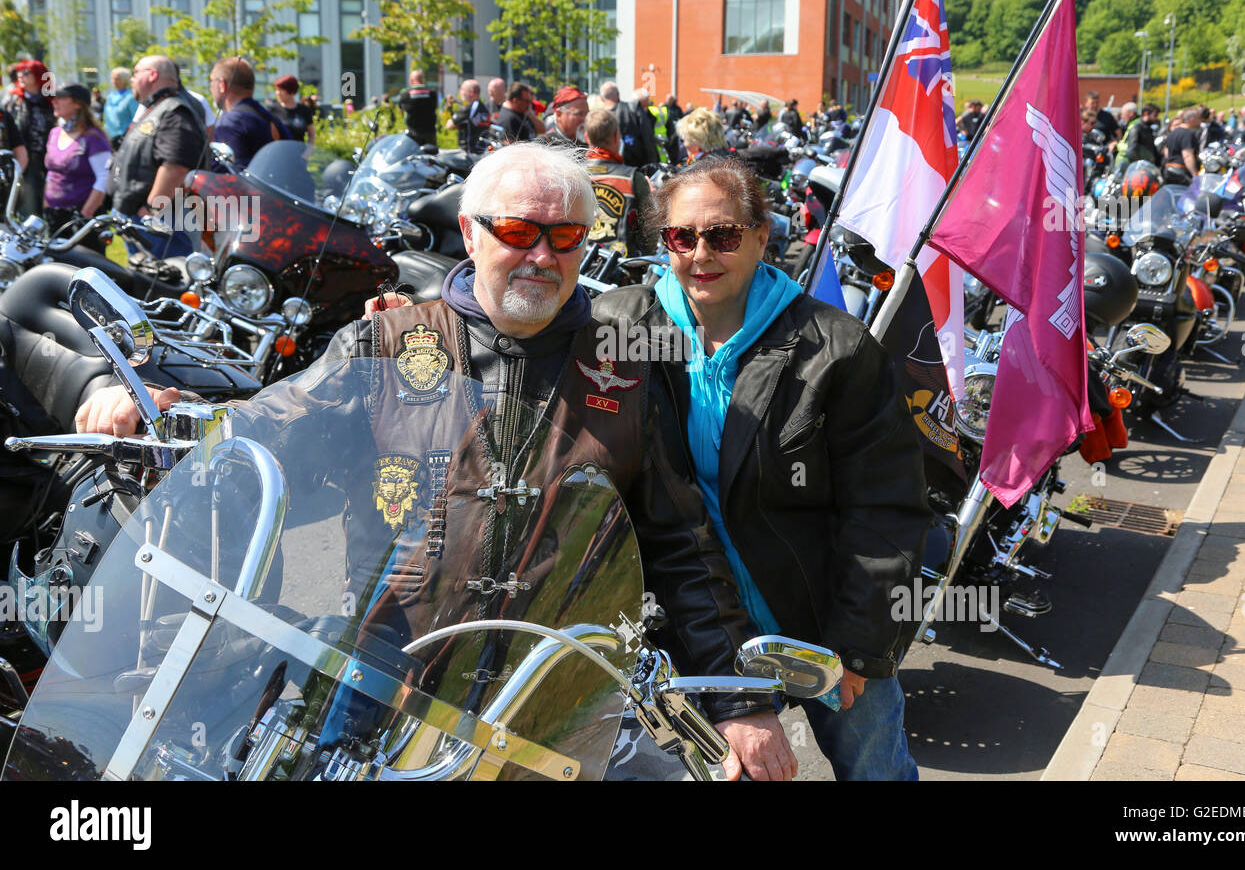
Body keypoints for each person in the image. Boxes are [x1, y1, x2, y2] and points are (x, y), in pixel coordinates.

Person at [76, 141, 771, 776]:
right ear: (470, 232)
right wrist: (161, 411)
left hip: (548, 688)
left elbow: (680, 542)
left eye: (564, 238)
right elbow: (271, 424)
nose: (542, 255)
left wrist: (739, 702)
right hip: (384, 669)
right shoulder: (388, 340)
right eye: (518, 232)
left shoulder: (625, 367)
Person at [593, 157, 931, 780]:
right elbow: (516, 335)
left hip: (819, 622)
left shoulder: (835, 346)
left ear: (759, 235)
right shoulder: (620, 325)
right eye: (681, 236)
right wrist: (402, 331)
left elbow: (885, 507)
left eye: (721, 235)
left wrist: (859, 643)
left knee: (876, 770)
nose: (701, 253)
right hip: (697, 630)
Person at [106, 54, 208, 220]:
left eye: (136, 72)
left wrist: (151, 210)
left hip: (158, 223)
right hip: (138, 217)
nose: (132, 79)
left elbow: (176, 168)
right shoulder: (157, 108)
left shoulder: (175, 112)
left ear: (152, 75)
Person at [42, 82, 112, 248]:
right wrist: (46, 203)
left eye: (61, 98)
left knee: (85, 267)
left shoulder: (93, 137)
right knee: (57, 267)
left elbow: (104, 177)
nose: (54, 101)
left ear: (78, 104)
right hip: (55, 214)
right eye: (54, 97)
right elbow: (51, 172)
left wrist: (86, 213)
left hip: (82, 217)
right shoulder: (55, 133)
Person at [583, 108, 654, 256]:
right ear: (616, 137)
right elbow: (650, 230)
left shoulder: (572, 175)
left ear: (586, 138)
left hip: (579, 265)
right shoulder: (633, 178)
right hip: (621, 268)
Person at [209, 57, 290, 172]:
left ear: (222, 85)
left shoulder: (229, 123)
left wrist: (179, 190)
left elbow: (228, 177)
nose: (210, 87)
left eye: (212, 81)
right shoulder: (271, 119)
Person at [2, 60, 57, 217]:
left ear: (38, 76)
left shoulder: (51, 101)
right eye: (19, 72)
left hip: (51, 161)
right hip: (25, 161)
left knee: (52, 206)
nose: (20, 76)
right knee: (29, 207)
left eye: (26, 72)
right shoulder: (12, 101)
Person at [600, 81, 651, 168]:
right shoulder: (633, 110)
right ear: (618, 94)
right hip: (635, 168)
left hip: (606, 169)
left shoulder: (596, 117)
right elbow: (648, 139)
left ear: (601, 98)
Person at [268, 74, 316, 144]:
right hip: (278, 152)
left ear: (291, 91)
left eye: (281, 90)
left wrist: (307, 152)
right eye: (276, 90)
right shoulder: (272, 109)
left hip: (298, 153)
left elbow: (311, 134)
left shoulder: (304, 110)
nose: (277, 93)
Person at [447, 78, 491, 151]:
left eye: (462, 90)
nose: (460, 93)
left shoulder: (468, 109)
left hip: (468, 152)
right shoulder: (485, 108)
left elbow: (449, 125)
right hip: (483, 150)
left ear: (471, 92)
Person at [396, 69, 438, 146]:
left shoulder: (405, 94)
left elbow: (400, 112)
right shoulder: (432, 93)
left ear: (411, 80)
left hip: (412, 134)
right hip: (429, 134)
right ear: (423, 80)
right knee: (430, 155)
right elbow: (436, 108)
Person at [1114, 102, 1159, 172]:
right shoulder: (1137, 127)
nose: (1157, 118)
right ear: (1146, 113)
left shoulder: (1146, 128)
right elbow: (1131, 149)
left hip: (1144, 166)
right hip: (1137, 168)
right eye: (1155, 115)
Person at [102, 67, 139, 150]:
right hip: (109, 138)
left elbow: (136, 119)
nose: (114, 81)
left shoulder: (131, 97)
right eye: (113, 79)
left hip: (124, 139)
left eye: (117, 79)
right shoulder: (110, 97)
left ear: (125, 80)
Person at [1161, 106, 1201, 182]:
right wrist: (1195, 176)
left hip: (1169, 171)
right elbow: (1187, 156)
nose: (1200, 120)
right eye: (1199, 118)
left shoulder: (1172, 133)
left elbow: (1166, 154)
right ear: (1192, 119)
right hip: (1182, 173)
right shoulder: (1187, 134)